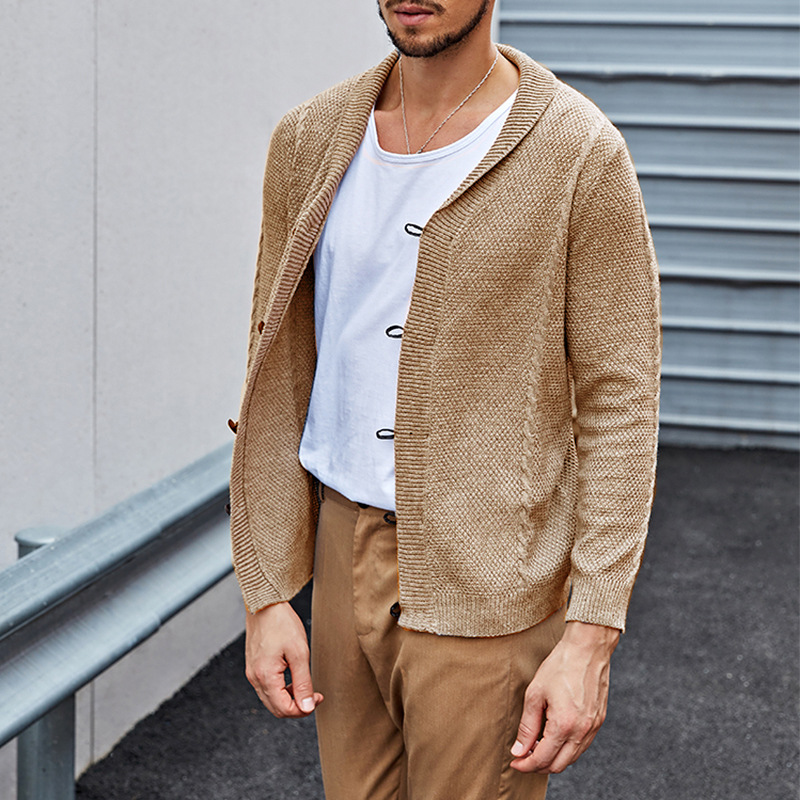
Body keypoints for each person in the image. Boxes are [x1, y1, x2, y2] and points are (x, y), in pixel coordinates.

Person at [228, 1, 661, 797]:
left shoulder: (579, 151)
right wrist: (266, 591)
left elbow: (620, 401)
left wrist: (591, 633)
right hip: (339, 548)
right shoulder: (309, 138)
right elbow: (280, 369)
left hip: (491, 579)